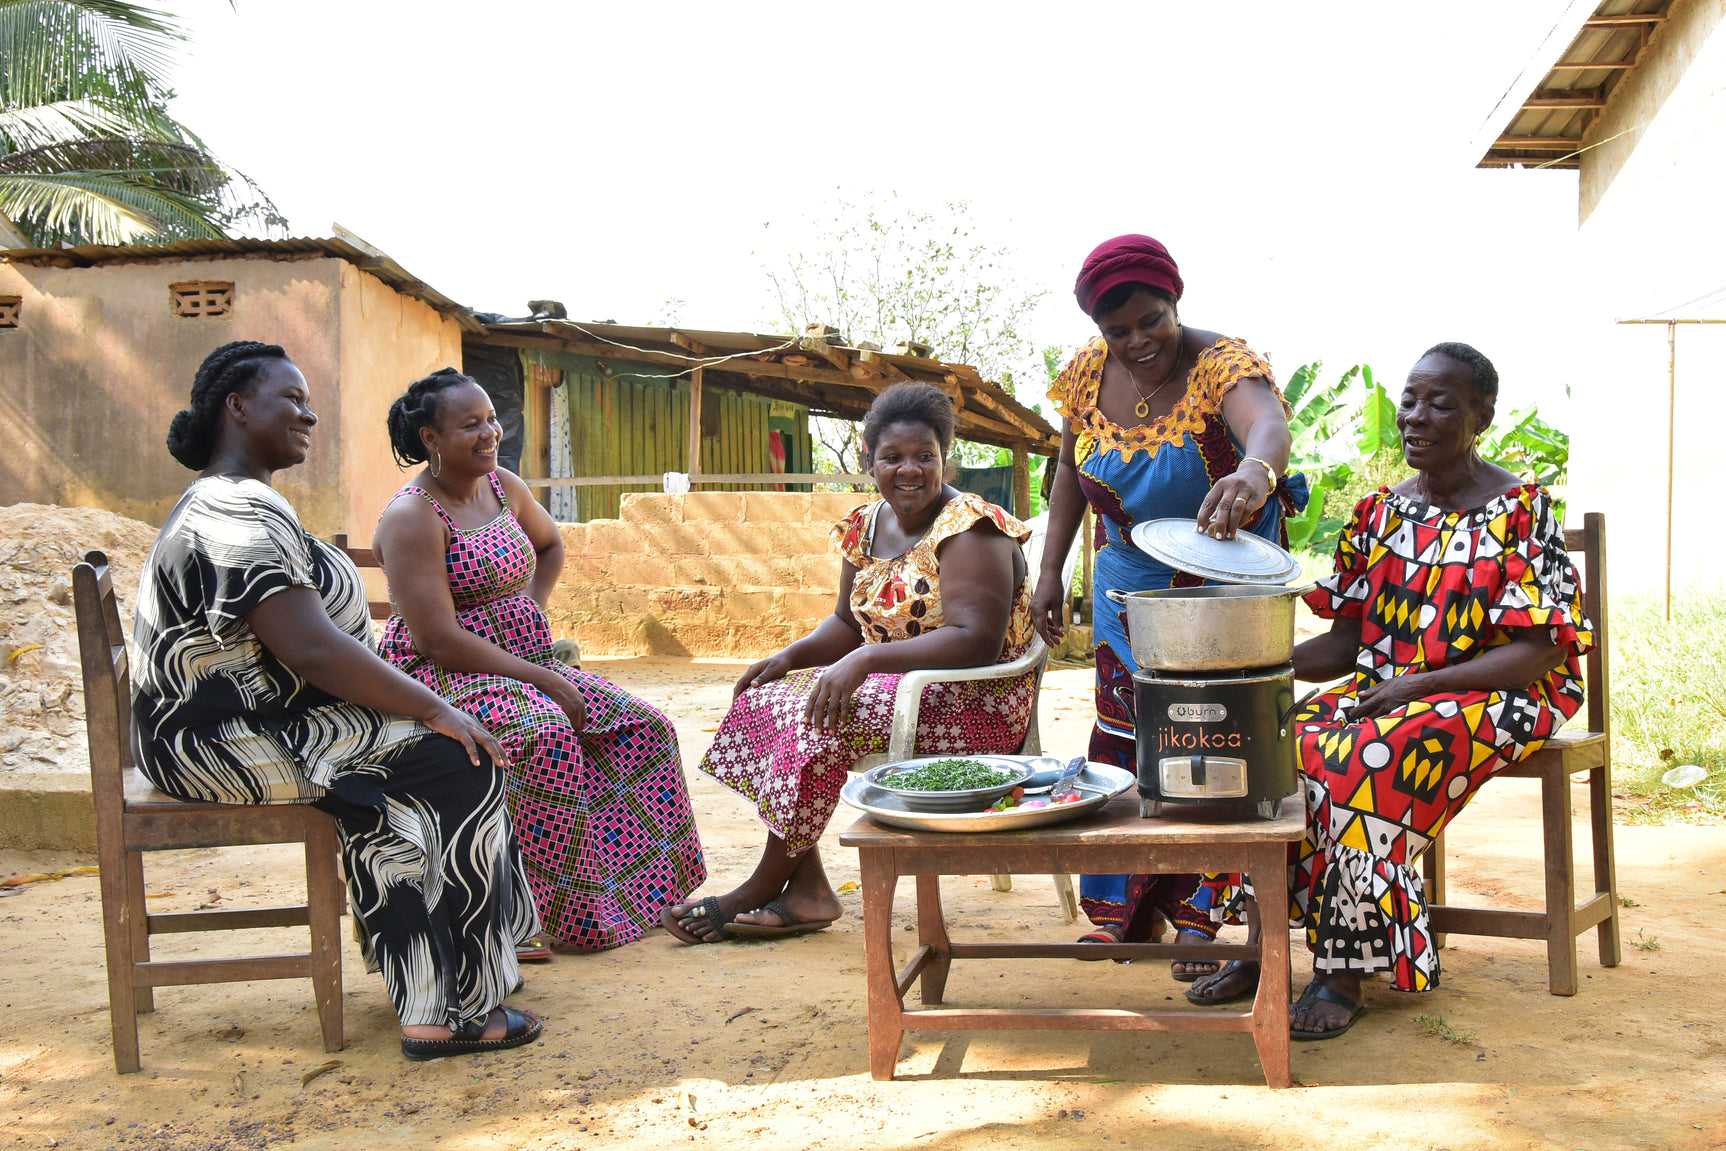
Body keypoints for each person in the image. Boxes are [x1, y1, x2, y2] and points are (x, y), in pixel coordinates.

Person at [131, 342, 541, 1061]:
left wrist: (411, 709)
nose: (309, 414)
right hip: (217, 740)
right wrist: (432, 707)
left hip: (253, 722)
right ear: (237, 406)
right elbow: (311, 648)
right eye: (291, 399)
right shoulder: (233, 510)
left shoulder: (239, 498)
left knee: (427, 761)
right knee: (460, 757)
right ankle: (455, 1008)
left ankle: (432, 981)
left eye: (308, 401)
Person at [1185, 343, 1593, 1039]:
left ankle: (1344, 971)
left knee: (1359, 761)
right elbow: (1345, 645)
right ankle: (1262, 948)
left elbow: (1541, 650)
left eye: (1441, 404)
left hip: (1504, 694)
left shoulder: (1522, 510)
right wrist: (1259, 669)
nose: (1416, 416)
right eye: (1409, 400)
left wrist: (1419, 685)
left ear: (1483, 416)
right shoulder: (1379, 514)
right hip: (1391, 690)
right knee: (1266, 741)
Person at [663, 382, 1038, 942]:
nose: (908, 470)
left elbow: (975, 642)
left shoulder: (970, 526)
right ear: (869, 461)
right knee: (767, 698)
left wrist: (866, 659)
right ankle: (809, 886)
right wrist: (789, 656)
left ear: (946, 457)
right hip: (899, 688)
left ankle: (763, 885)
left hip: (974, 699)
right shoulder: (865, 524)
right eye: (892, 457)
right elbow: (844, 622)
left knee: (817, 718)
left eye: (924, 456)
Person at [1031, 234, 1306, 977]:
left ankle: (1203, 919)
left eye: (1151, 320)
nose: (1137, 342)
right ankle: (1130, 915)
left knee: (1216, 739)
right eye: (1116, 330)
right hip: (1128, 585)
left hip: (1224, 581)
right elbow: (1068, 471)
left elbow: (1267, 425)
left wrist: (1255, 472)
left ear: (1175, 302)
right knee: (1127, 735)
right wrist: (1050, 570)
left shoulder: (1222, 363)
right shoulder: (1086, 375)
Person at [373, 368, 705, 953]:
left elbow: (549, 545)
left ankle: (642, 894)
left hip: (522, 662)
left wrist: (530, 607)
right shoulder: (412, 516)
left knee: (644, 727)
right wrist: (545, 678)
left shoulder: (503, 486)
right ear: (430, 438)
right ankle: (542, 915)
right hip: (446, 678)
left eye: (491, 420)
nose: (490, 433)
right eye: (470, 425)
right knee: (545, 738)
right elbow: (436, 639)